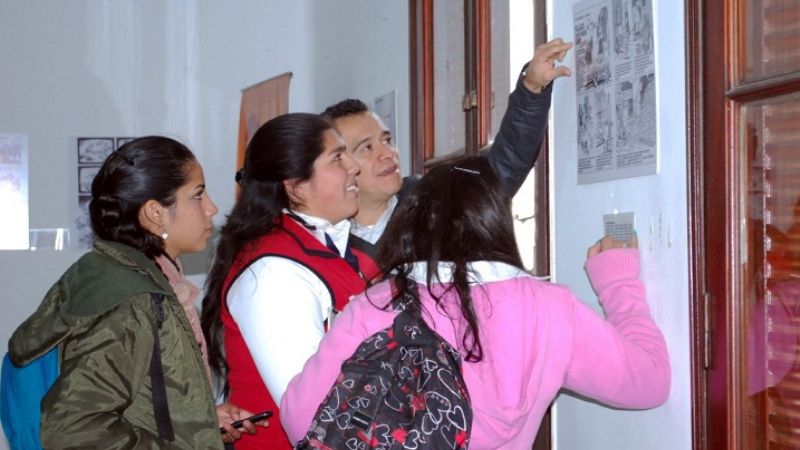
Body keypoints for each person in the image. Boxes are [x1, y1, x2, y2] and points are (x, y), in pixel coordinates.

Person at [280, 156, 671, 449]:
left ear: (415, 223)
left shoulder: (379, 304)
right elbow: (650, 383)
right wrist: (618, 281)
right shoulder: (551, 309)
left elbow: (301, 419)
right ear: (496, 220)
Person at [7, 137, 262, 449]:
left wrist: (200, 424)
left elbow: (142, 399)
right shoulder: (132, 299)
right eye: (198, 195)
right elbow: (74, 428)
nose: (212, 208)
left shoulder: (138, 276)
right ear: (155, 213)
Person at [201, 113, 379, 450]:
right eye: (337, 158)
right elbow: (314, 410)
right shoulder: (271, 274)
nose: (354, 166)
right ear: (295, 186)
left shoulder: (348, 254)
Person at [321, 38, 573, 259]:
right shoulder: (325, 243)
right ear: (340, 163)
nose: (387, 153)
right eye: (366, 148)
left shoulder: (434, 202)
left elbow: (503, 167)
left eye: (387, 140)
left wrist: (530, 90)